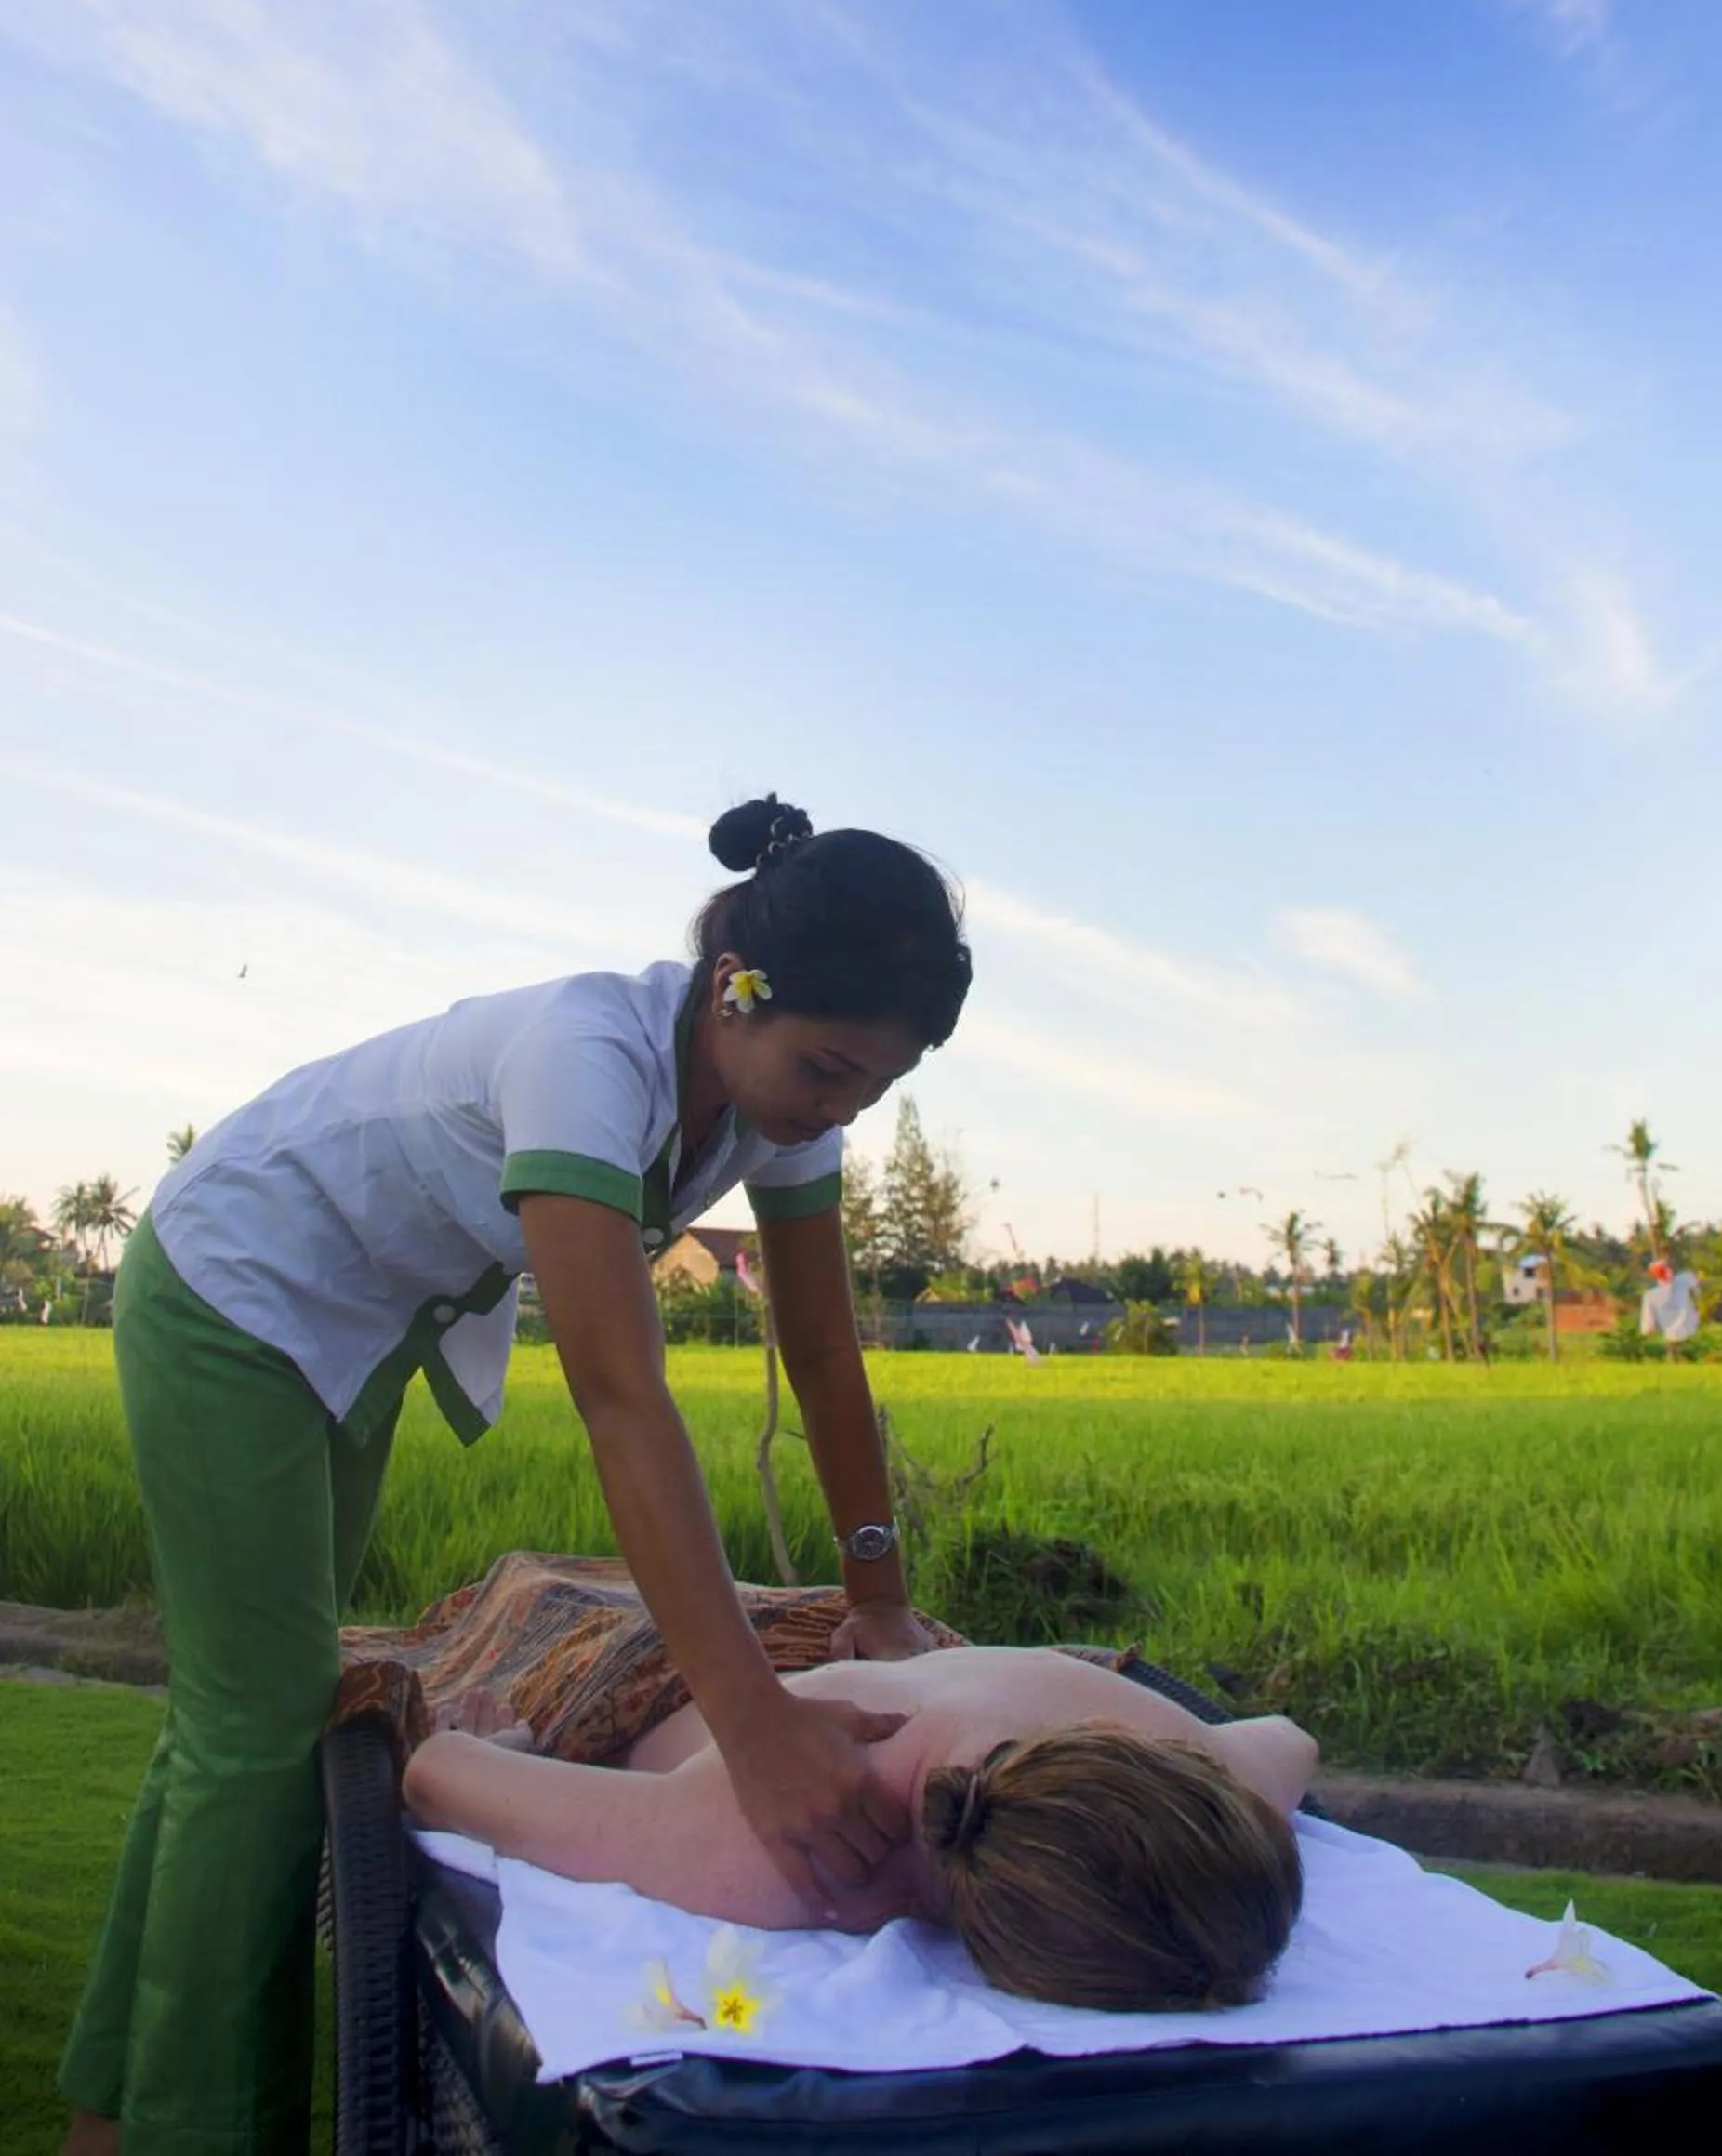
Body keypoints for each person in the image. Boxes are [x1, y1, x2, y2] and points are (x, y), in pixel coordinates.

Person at [61, 795, 970, 2156]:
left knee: (232, 1724)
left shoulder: (784, 1111)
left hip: (348, 1327)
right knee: (261, 1731)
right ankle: (197, 2127)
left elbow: (825, 1354)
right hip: (231, 1292)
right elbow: (622, 1398)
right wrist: (756, 1730)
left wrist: (878, 1595)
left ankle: (104, 2114)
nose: (837, 1108)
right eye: (829, 1070)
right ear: (736, 987)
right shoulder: (586, 1055)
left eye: (873, 1091)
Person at [405, 1643, 1316, 2012]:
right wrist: (515, 1744)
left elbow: (1290, 1739)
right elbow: (437, 1773)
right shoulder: (768, 1850)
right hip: (669, 1664)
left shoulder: (1198, 1760)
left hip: (883, 1648)